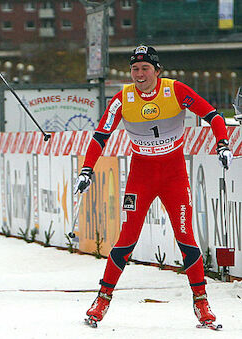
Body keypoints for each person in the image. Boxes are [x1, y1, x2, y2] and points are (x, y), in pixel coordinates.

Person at [77, 45, 232, 329]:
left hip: (173, 176)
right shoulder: (123, 98)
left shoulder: (175, 90)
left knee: (186, 238)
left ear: (157, 71)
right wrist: (87, 170)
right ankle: (102, 299)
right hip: (141, 177)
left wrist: (222, 143)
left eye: (145, 68)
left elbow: (214, 116)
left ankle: (201, 303)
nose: (139, 74)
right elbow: (100, 136)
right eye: (135, 69)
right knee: (126, 240)